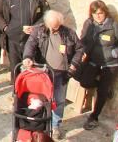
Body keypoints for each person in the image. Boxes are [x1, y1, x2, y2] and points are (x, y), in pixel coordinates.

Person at [23, 10, 84, 139]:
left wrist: (74, 64)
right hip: (43, 72)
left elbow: (80, 49)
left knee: (59, 100)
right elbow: (30, 44)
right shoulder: (39, 30)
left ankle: (55, 125)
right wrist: (27, 57)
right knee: (39, 99)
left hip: (62, 73)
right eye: (51, 26)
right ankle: (39, 123)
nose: (53, 29)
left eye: (56, 26)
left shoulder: (69, 33)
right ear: (46, 23)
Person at [79, 0, 118, 130]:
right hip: (94, 61)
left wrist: (114, 53)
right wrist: (82, 51)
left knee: (102, 91)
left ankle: (94, 117)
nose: (98, 16)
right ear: (91, 14)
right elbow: (83, 39)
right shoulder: (89, 24)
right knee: (84, 82)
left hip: (111, 64)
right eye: (95, 13)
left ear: (105, 13)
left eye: (101, 13)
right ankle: (104, 87)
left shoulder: (114, 26)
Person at [0, 0, 49, 83]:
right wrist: (4, 27)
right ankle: (16, 93)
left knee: (30, 68)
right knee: (15, 68)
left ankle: (28, 93)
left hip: (30, 40)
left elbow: (47, 13)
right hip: (12, 40)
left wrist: (36, 27)